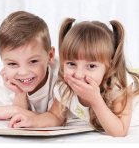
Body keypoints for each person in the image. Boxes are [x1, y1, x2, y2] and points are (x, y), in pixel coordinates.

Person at [8, 18, 139, 137]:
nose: (78, 74)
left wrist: (95, 100)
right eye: (71, 64)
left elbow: (120, 131)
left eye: (91, 66)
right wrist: (33, 121)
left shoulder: (118, 85)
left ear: (109, 66)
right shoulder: (65, 87)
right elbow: (55, 117)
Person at [0, 11, 56, 119]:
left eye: (33, 61)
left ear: (50, 55)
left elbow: (56, 119)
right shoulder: (5, 83)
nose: (23, 72)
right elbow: (20, 118)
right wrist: (20, 93)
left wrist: (15, 110)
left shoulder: (61, 78)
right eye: (12, 63)